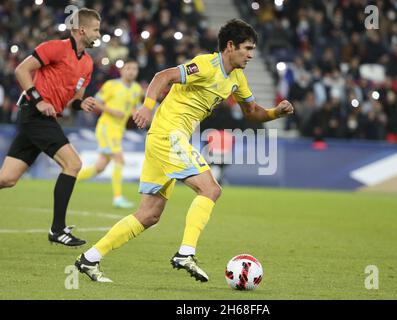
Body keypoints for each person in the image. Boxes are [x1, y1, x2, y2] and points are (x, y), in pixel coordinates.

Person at [75, 19, 293, 283]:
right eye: (247, 48)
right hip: (169, 134)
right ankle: (185, 253)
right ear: (230, 46)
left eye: (253, 49)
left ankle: (90, 258)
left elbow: (252, 112)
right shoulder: (205, 64)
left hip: (165, 138)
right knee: (211, 189)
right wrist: (147, 106)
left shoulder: (237, 78)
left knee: (149, 215)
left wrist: (274, 113)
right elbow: (162, 76)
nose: (251, 54)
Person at [0, 8, 101, 247]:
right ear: (81, 29)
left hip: (44, 117)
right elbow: (21, 70)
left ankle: (57, 229)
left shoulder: (87, 63)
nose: (99, 34)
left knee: (7, 178)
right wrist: (39, 100)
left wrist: (80, 103)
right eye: (96, 29)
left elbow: (73, 99)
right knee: (73, 163)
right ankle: (57, 229)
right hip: (34, 113)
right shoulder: (55, 47)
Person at [77, 60, 143, 209]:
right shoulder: (111, 85)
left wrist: (138, 115)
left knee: (99, 167)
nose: (132, 71)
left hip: (119, 130)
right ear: (122, 70)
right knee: (119, 160)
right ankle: (118, 198)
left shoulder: (137, 89)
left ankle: (69, 179)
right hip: (107, 127)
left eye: (134, 68)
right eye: (129, 68)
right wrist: (112, 111)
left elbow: (132, 108)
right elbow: (96, 102)